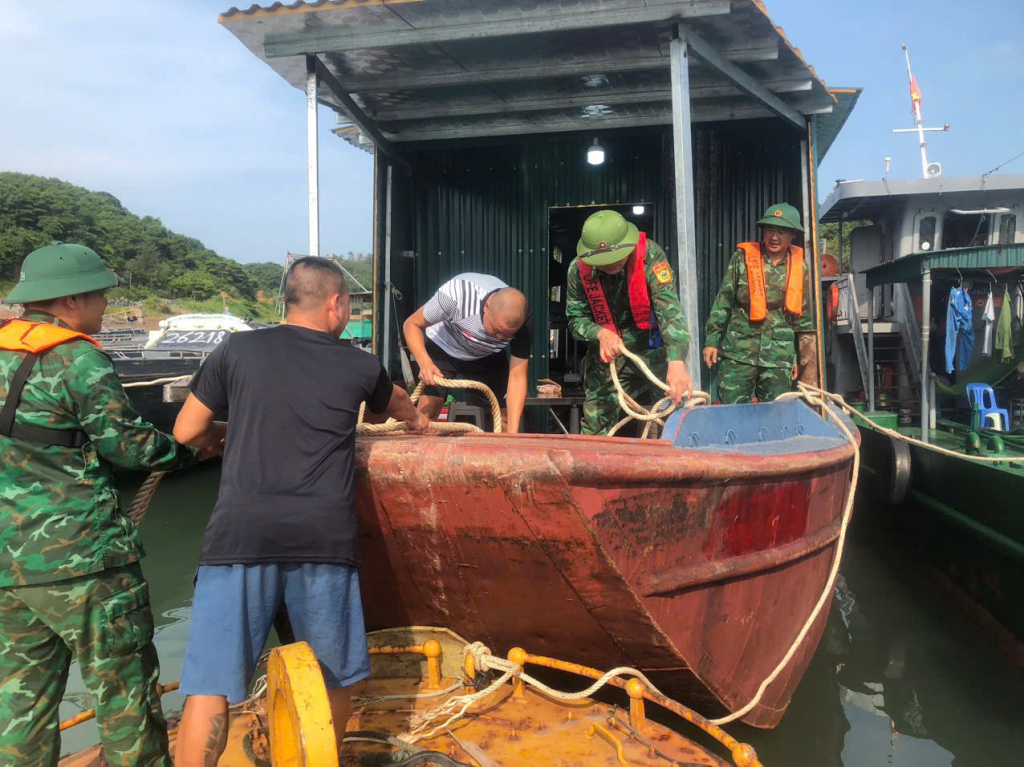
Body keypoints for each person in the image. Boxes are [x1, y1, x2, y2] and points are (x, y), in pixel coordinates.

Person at [171, 257, 428, 765]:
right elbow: (393, 406)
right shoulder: (358, 364)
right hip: (322, 543)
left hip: (237, 539)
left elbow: (185, 432)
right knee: (334, 677)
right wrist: (419, 418)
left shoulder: (236, 349)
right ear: (337, 304)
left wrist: (227, 436)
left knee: (210, 686)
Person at [0, 243, 208, 767]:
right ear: (71, 299)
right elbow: (129, 447)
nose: (104, 308)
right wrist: (192, 449)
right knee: (125, 697)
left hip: (9, 568)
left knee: (22, 703)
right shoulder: (76, 356)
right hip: (84, 563)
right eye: (99, 296)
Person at [565, 209, 693, 436]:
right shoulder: (578, 269)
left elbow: (670, 313)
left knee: (675, 417)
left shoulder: (651, 256)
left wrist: (676, 362)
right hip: (607, 356)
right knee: (596, 426)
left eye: (617, 257)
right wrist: (599, 333)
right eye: (604, 261)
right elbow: (576, 320)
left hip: (652, 351)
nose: (612, 263)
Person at [703, 203, 817, 404]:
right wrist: (712, 341)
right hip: (739, 353)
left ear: (792, 236)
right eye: (770, 230)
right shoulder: (741, 259)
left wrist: (800, 360)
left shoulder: (801, 268)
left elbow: (804, 319)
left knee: (776, 416)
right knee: (732, 413)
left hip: (779, 358)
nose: (774, 237)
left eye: (781, 232)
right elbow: (723, 301)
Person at [403, 273, 532, 432]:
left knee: (507, 417)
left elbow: (517, 377)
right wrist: (425, 364)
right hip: (444, 347)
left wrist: (513, 435)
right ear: (487, 307)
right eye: (496, 330)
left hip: (488, 355)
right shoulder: (455, 296)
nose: (499, 338)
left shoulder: (524, 322)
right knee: (427, 414)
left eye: (506, 335)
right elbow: (411, 324)